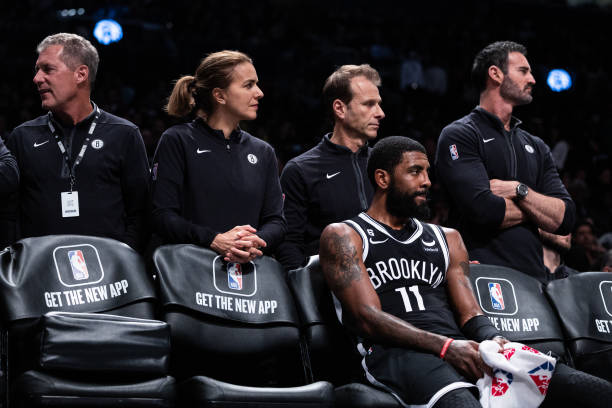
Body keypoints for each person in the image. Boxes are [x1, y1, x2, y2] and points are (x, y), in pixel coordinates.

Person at [319, 136, 611, 408]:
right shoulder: (345, 235)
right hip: (395, 354)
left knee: (580, 385)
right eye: (415, 172)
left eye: (428, 172)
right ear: (382, 178)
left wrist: (495, 338)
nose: (427, 182)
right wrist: (445, 347)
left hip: (462, 346)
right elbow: (366, 318)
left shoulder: (447, 238)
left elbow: (470, 314)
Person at [435, 41, 575, 282]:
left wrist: (518, 190)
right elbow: (484, 210)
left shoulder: (537, 146)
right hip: (480, 276)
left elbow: (566, 218)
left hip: (534, 279)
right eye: (523, 71)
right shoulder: (460, 134)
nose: (532, 79)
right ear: (495, 74)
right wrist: (539, 211)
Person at [6, 33, 150, 251]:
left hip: (109, 275)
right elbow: (9, 214)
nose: (37, 78)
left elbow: (141, 213)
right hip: (40, 275)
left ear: (81, 74)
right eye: (37, 70)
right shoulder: (23, 136)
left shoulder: (124, 134)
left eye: (48, 69)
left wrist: (124, 259)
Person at [151, 50, 286, 263]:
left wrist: (253, 242)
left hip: (248, 273)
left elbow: (276, 222)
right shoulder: (177, 140)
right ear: (219, 95)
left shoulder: (263, 152)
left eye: (256, 84)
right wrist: (214, 240)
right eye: (248, 85)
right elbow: (162, 216)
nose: (259, 92)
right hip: (189, 271)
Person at [275, 64, 385, 270]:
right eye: (369, 104)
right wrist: (306, 294)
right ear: (340, 108)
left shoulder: (386, 164)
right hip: (329, 291)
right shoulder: (300, 170)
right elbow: (289, 244)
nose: (380, 113)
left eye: (379, 104)